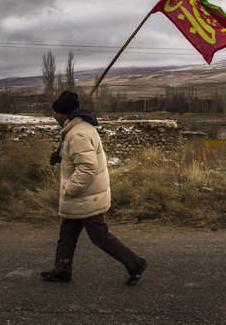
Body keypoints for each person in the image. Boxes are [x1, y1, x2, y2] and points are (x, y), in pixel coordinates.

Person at [41, 91, 147, 286]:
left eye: (56, 112)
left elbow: (87, 168)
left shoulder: (78, 134)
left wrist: (70, 189)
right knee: (67, 233)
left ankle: (135, 263)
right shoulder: (77, 128)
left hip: (84, 196)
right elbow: (78, 158)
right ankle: (62, 270)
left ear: (65, 113)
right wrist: (61, 156)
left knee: (100, 237)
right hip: (84, 196)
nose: (54, 116)